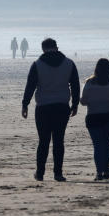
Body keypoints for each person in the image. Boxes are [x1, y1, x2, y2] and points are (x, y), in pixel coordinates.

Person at [22, 38, 80, 182]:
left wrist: (25, 104)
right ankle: (58, 173)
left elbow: (30, 85)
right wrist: (75, 104)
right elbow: (75, 85)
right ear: (56, 47)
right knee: (59, 140)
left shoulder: (37, 65)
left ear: (43, 49)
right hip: (62, 106)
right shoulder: (69, 63)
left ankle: (40, 173)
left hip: (43, 107)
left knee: (43, 141)